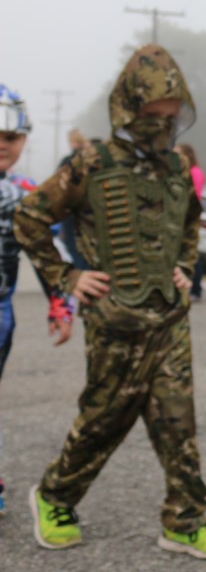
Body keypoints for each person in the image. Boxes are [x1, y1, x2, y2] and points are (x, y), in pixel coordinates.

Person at [14, 45, 206, 558]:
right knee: (104, 420)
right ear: (128, 109)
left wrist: (184, 266)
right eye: (152, 115)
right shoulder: (91, 163)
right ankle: (53, 497)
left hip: (170, 318)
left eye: (170, 117)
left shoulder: (178, 166)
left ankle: (185, 520)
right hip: (115, 322)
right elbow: (29, 217)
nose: (161, 126)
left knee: (177, 420)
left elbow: (190, 222)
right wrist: (67, 276)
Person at [0, 85, 74, 519]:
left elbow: (49, 252)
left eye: (10, 137)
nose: (2, 145)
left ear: (24, 140)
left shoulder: (26, 194)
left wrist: (60, 304)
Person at [174, 143, 205, 301]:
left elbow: (194, 195)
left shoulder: (195, 172)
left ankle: (196, 288)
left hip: (188, 216)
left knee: (192, 254)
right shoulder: (177, 171)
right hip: (178, 216)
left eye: (179, 153)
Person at [57, 128, 89, 270]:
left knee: (73, 247)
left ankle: (81, 274)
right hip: (91, 212)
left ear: (73, 142)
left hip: (71, 212)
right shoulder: (93, 157)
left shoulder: (68, 161)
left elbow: (58, 187)